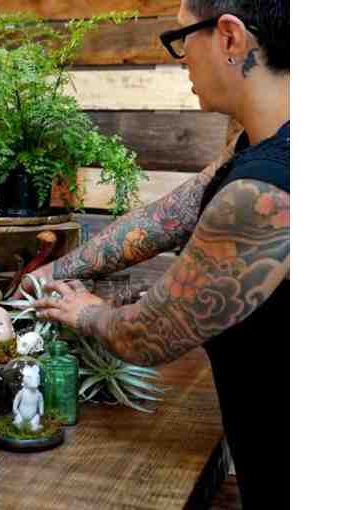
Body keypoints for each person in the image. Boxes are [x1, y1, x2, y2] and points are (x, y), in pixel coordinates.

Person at [27, 1, 289, 506]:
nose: (181, 56)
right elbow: (171, 216)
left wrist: (87, 312)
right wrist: (50, 272)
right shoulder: (260, 147)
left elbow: (152, 334)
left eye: (181, 37)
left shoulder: (270, 189)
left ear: (230, 38)